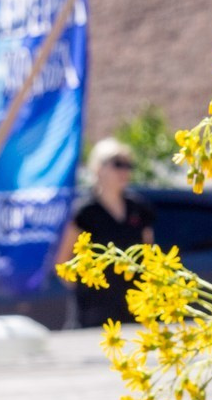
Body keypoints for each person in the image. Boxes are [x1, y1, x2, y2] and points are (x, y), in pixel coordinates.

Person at [58, 138, 153, 329]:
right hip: (94, 316)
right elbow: (62, 262)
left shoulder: (138, 207)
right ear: (97, 168)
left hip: (134, 311)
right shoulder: (84, 212)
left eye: (128, 165)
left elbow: (149, 255)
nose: (124, 171)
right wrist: (88, 286)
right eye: (117, 164)